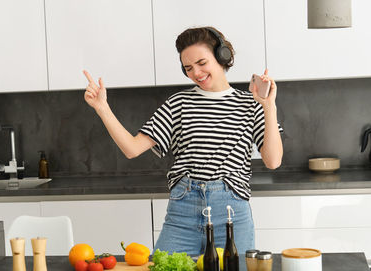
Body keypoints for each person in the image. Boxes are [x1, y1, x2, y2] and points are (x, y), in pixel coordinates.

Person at [82, 26, 283, 255]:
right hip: (183, 209)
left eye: (201, 62)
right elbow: (132, 148)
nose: (196, 73)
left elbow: (273, 161)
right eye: (188, 68)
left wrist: (269, 106)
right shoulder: (178, 103)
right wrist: (102, 108)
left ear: (222, 56)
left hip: (231, 214)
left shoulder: (251, 104)